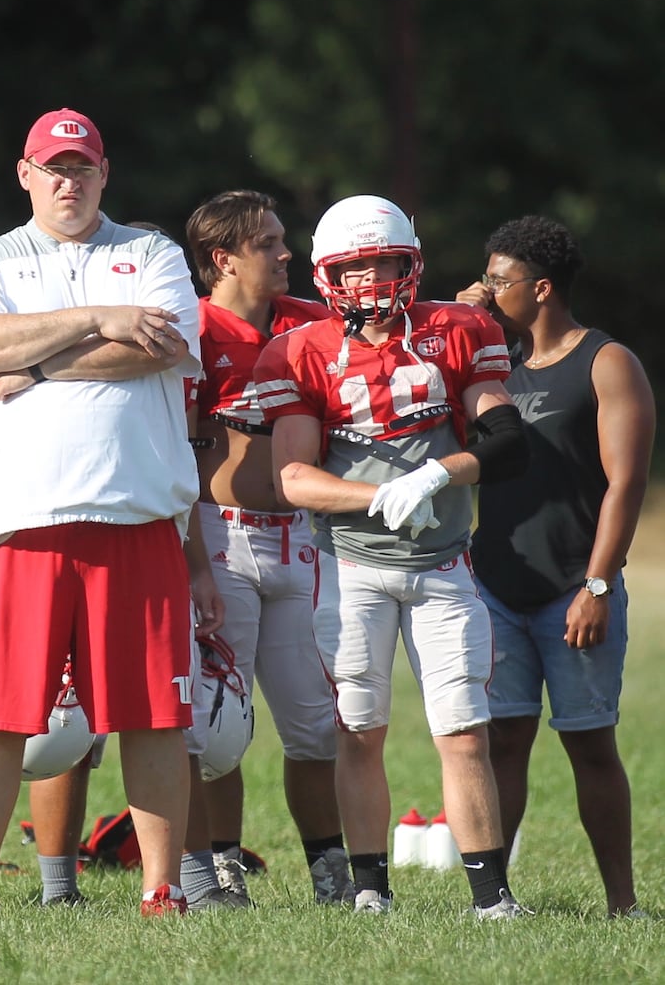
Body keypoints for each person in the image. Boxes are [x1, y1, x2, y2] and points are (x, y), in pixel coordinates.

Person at [0, 108, 201, 918]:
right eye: (52, 167)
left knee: (153, 712)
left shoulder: (149, 252)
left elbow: (161, 343)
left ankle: (161, 886)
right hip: (15, 519)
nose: (67, 181)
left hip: (135, 512)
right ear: (24, 174)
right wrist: (95, 317)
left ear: (103, 172)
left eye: (80, 167)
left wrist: (39, 363)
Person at [254, 194, 530, 918]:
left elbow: (505, 443)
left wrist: (438, 474)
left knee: (464, 731)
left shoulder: (457, 329)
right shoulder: (297, 350)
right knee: (358, 732)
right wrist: (373, 497)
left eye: (385, 262)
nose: (372, 279)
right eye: (356, 266)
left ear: (412, 263)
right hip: (350, 567)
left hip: (442, 565)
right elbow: (292, 478)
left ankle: (490, 898)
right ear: (326, 276)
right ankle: (370, 887)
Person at [456, 216, 653, 918]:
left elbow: (625, 483)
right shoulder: (488, 366)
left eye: (496, 278)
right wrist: (458, 322)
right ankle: (496, 901)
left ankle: (622, 904)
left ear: (540, 288)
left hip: (573, 587)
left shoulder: (605, 361)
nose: (485, 287)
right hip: (495, 588)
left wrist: (596, 585)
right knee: (502, 739)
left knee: (588, 743)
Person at [183, 190, 351, 906]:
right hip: (221, 538)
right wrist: (190, 561)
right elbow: (174, 455)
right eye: (268, 243)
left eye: (284, 239)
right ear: (221, 259)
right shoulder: (188, 328)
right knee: (217, 726)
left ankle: (331, 872)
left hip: (305, 542)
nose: (286, 253)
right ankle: (219, 868)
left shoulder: (310, 323)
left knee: (316, 725)